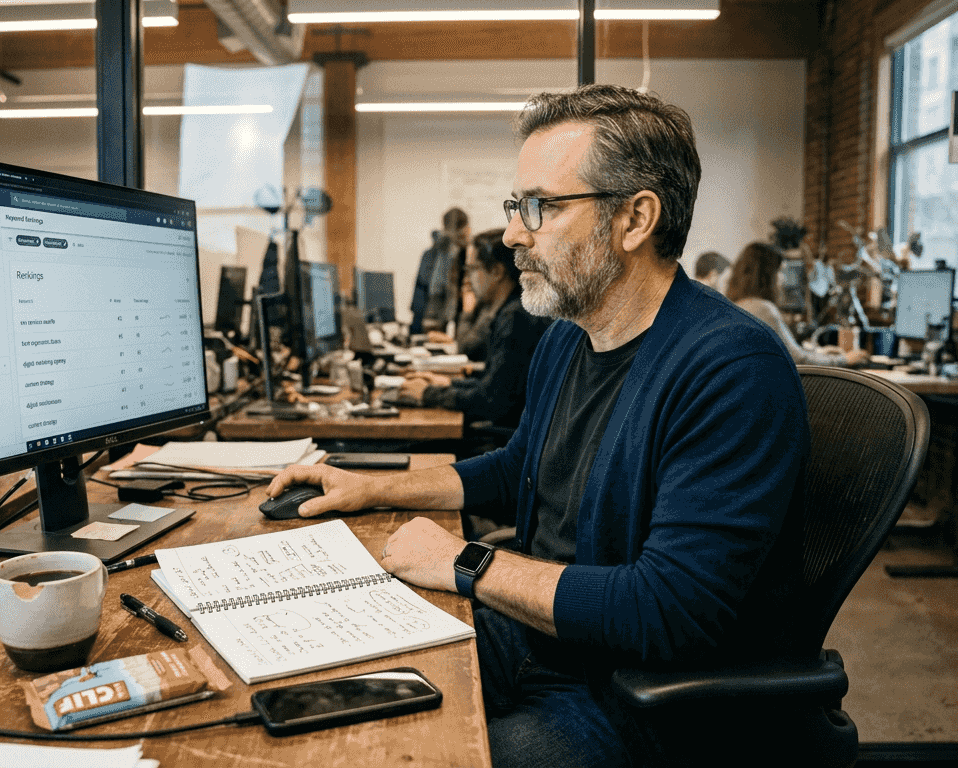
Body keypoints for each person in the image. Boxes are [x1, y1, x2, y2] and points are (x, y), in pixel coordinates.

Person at [269, 85, 817, 766]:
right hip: (543, 640)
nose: (512, 234)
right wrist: (371, 488)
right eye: (515, 206)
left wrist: (464, 561)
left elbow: (668, 608)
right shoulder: (567, 337)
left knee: (410, 755)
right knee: (323, 674)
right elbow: (516, 468)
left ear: (635, 219)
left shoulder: (731, 368)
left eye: (540, 207)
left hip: (641, 698)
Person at [400, 229, 552, 430]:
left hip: (505, 435)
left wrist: (428, 393)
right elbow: (493, 383)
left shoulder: (516, 317)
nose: (467, 279)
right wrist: (447, 383)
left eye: (472, 269)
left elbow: (492, 401)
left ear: (496, 272)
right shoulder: (512, 310)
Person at [725, 241, 870, 367]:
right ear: (766, 275)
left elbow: (790, 353)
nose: (783, 279)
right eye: (780, 271)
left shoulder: (738, 306)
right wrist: (844, 359)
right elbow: (798, 360)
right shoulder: (763, 309)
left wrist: (818, 353)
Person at [409, 207, 469, 335]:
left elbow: (420, 289)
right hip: (445, 319)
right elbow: (441, 288)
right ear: (464, 228)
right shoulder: (461, 253)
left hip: (425, 317)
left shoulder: (430, 253)